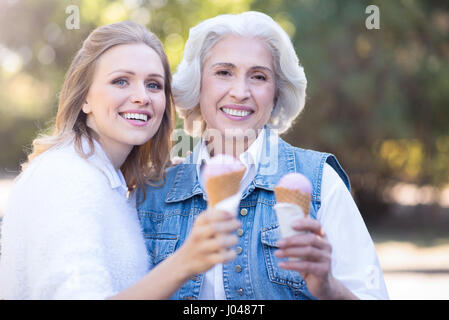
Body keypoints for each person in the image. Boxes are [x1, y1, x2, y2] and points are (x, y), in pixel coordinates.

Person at [137, 12, 389, 300]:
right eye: (224, 72)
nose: (240, 92)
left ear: (276, 94)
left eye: (258, 77)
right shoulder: (152, 192)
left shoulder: (320, 180)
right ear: (198, 83)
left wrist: (329, 288)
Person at [0, 21, 240, 299]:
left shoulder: (108, 182)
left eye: (153, 84)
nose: (141, 97)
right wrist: (185, 262)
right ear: (84, 99)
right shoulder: (64, 177)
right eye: (120, 81)